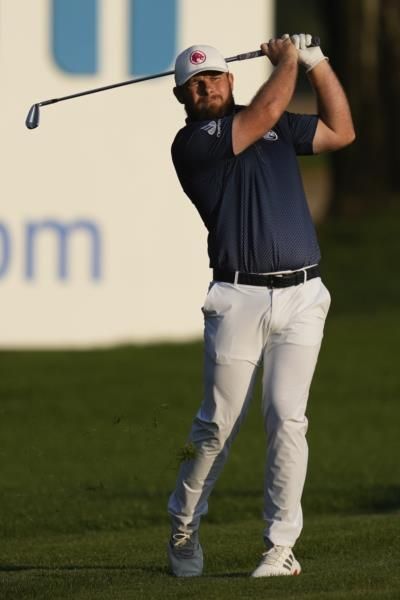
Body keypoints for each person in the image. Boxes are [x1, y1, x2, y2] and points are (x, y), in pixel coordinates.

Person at [167, 34, 355, 578]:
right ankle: (183, 526)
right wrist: (290, 58)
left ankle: (279, 548)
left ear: (231, 80)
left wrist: (318, 64)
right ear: (182, 98)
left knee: (288, 420)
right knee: (217, 427)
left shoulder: (270, 121)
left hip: (302, 295)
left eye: (213, 78)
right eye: (193, 84)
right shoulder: (194, 142)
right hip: (237, 298)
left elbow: (342, 130)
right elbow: (272, 103)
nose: (204, 88)